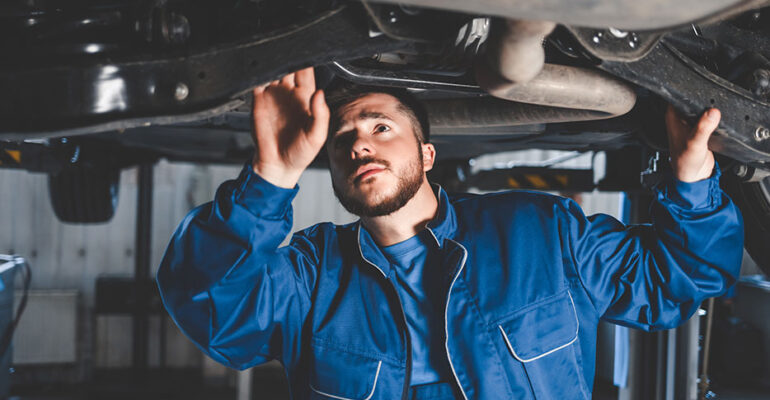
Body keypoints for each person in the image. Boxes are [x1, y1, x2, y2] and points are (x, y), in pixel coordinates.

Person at [156, 67, 744, 400]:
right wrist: (271, 177)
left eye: (381, 126)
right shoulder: (311, 278)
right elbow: (212, 309)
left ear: (427, 153)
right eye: (343, 140)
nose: (359, 142)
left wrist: (692, 176)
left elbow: (680, 279)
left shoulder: (542, 234)